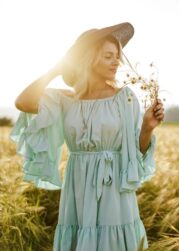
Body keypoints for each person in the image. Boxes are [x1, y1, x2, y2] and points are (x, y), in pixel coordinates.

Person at [9, 22, 164, 251]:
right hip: (78, 183)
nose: (116, 62)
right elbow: (23, 102)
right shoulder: (66, 100)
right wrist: (56, 69)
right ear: (90, 58)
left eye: (117, 56)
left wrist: (147, 128)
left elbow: (135, 152)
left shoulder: (124, 98)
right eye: (108, 56)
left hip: (113, 187)